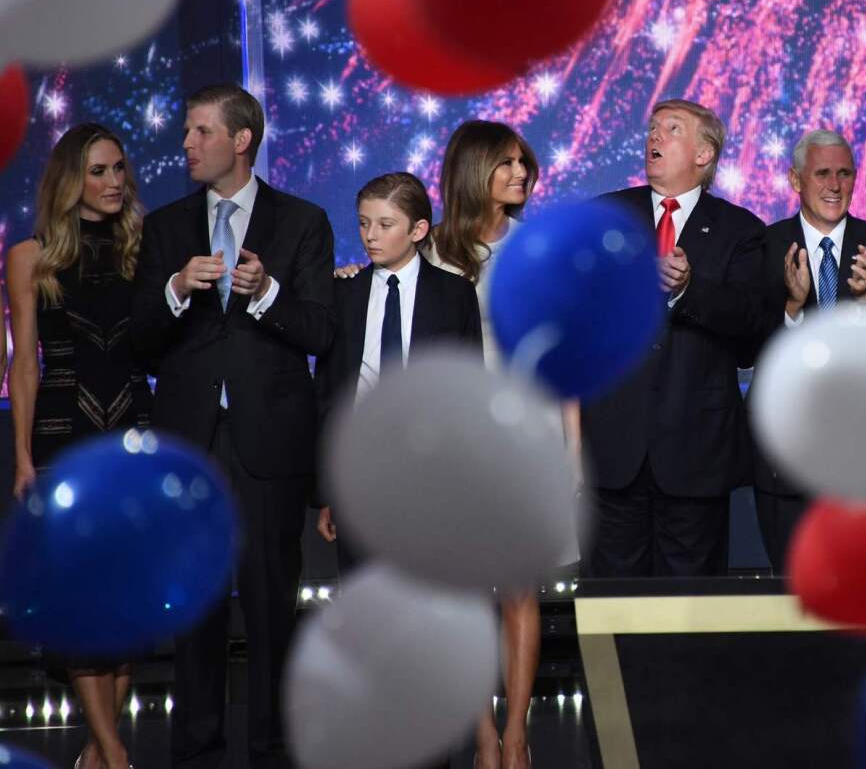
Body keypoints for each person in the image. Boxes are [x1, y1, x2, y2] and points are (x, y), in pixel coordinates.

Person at [131, 84, 335, 769]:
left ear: (241, 140)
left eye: (200, 131)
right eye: (187, 131)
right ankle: (196, 748)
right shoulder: (164, 229)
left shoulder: (301, 221)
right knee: (194, 599)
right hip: (189, 440)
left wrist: (269, 294)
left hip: (266, 440)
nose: (186, 144)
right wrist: (175, 290)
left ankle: (272, 746)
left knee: (273, 601)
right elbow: (138, 340)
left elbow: (321, 329)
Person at [425, 120, 575, 769]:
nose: (520, 175)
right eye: (506, 164)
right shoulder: (430, 252)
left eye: (523, 164)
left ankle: (516, 734)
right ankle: (481, 734)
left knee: (518, 590)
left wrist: (570, 451)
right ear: (472, 171)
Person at [5, 123, 152, 769]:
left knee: (130, 608)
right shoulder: (30, 256)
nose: (114, 181)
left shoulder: (144, 248)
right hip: (64, 434)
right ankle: (115, 757)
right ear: (72, 180)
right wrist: (23, 457)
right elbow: (26, 365)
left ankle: (96, 755)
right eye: (99, 171)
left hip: (133, 434)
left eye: (119, 168)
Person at [579, 99, 765, 578]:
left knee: (690, 614)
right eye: (653, 129)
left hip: (695, 454)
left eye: (671, 129)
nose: (654, 138)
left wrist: (687, 290)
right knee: (615, 610)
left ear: (704, 155)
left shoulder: (741, 230)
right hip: (613, 450)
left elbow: (750, 323)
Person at [313, 171, 483, 571]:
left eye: (385, 225)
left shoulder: (453, 294)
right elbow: (327, 391)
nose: (370, 235)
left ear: (418, 229)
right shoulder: (343, 293)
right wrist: (327, 491)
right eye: (363, 223)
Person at [754, 129, 866, 570]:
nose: (835, 185)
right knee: (791, 589)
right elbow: (744, 343)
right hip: (787, 452)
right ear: (795, 180)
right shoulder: (762, 246)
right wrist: (792, 308)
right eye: (822, 174)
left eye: (844, 174)